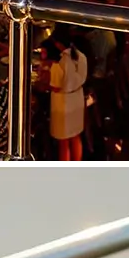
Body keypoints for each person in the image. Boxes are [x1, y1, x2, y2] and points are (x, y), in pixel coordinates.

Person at [49, 29, 87, 161]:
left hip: (63, 103)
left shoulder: (60, 63)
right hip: (77, 98)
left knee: (64, 142)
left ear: (58, 44)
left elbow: (55, 86)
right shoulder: (80, 56)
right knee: (75, 136)